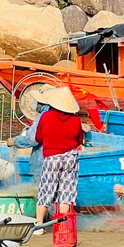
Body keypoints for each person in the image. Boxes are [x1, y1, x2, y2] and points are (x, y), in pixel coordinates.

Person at [34, 87, 83, 231]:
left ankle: (39, 225)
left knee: (46, 189)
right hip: (70, 157)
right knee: (66, 191)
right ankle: (61, 226)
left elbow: (38, 137)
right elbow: (79, 140)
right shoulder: (76, 120)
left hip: (52, 157)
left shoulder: (46, 117)